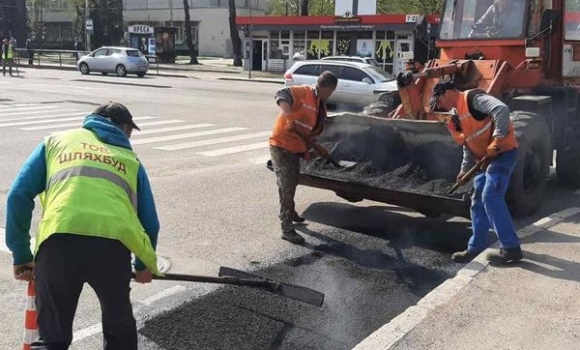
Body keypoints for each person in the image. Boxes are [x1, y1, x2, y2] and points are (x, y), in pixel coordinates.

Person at [5, 101, 161, 349]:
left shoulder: (55, 142)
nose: (129, 137)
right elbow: (150, 223)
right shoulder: (129, 159)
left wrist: (22, 255)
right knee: (120, 331)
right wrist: (144, 265)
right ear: (121, 126)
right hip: (111, 249)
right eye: (129, 131)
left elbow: (18, 195)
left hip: (58, 244)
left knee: (53, 337)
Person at [429, 80, 523, 265]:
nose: (440, 106)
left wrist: (496, 142)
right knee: (477, 200)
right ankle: (475, 248)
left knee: (491, 195)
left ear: (448, 92)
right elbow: (468, 144)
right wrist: (464, 170)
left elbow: (501, 109)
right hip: (483, 161)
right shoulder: (456, 118)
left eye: (439, 101)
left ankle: (511, 248)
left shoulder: (473, 98)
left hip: (502, 154)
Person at [269, 71, 338, 244]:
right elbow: (281, 94)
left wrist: (317, 148)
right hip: (281, 144)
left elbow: (312, 130)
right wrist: (288, 115)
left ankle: (290, 212)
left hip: (295, 147)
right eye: (332, 91)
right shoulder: (305, 92)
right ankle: (287, 228)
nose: (331, 94)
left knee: (291, 181)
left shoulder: (320, 105)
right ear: (329, 88)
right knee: (286, 185)